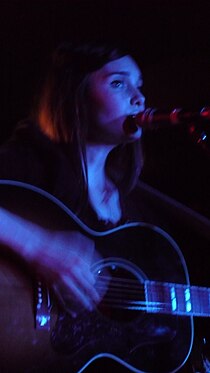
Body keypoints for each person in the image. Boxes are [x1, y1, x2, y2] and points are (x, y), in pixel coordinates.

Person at [0, 42, 145, 317]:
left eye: (140, 85)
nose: (139, 98)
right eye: (118, 83)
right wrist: (37, 247)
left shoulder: (135, 205)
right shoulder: (26, 162)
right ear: (74, 93)